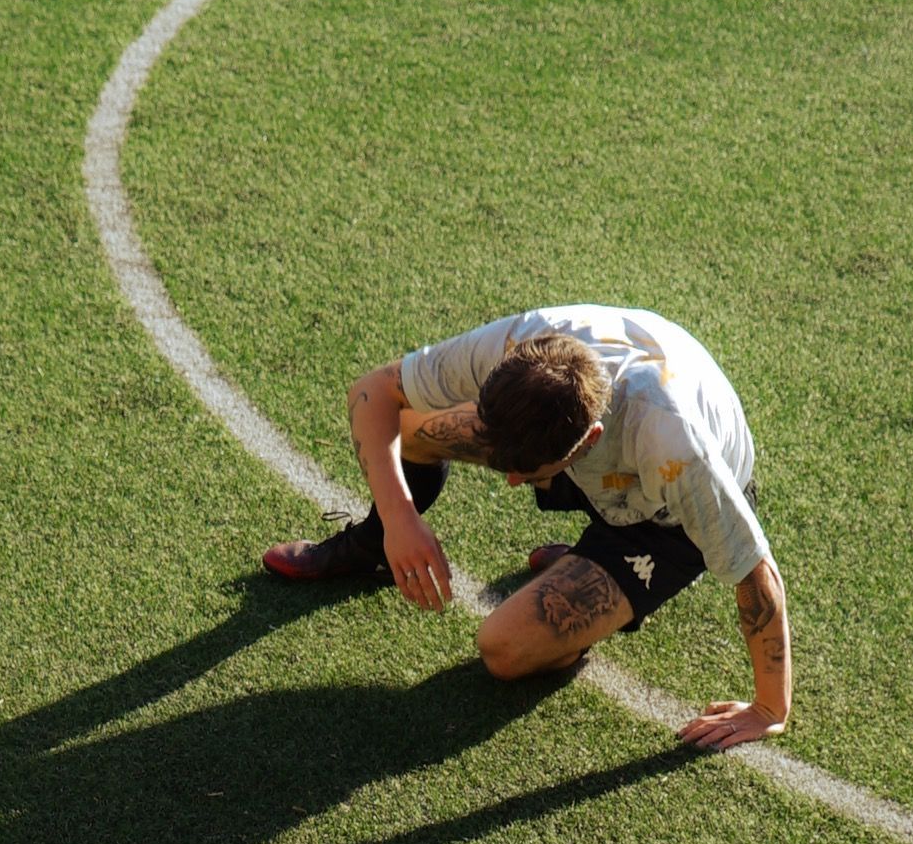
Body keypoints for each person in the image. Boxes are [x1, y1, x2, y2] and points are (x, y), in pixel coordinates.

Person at [262, 305, 790, 753]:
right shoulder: (516, 346)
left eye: (525, 472)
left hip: (661, 522)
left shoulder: (679, 452)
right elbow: (372, 392)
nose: (511, 481)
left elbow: (755, 570)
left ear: (587, 443)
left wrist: (768, 708)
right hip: (589, 452)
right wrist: (398, 519)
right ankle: (370, 546)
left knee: (504, 650)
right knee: (407, 427)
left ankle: (599, 590)